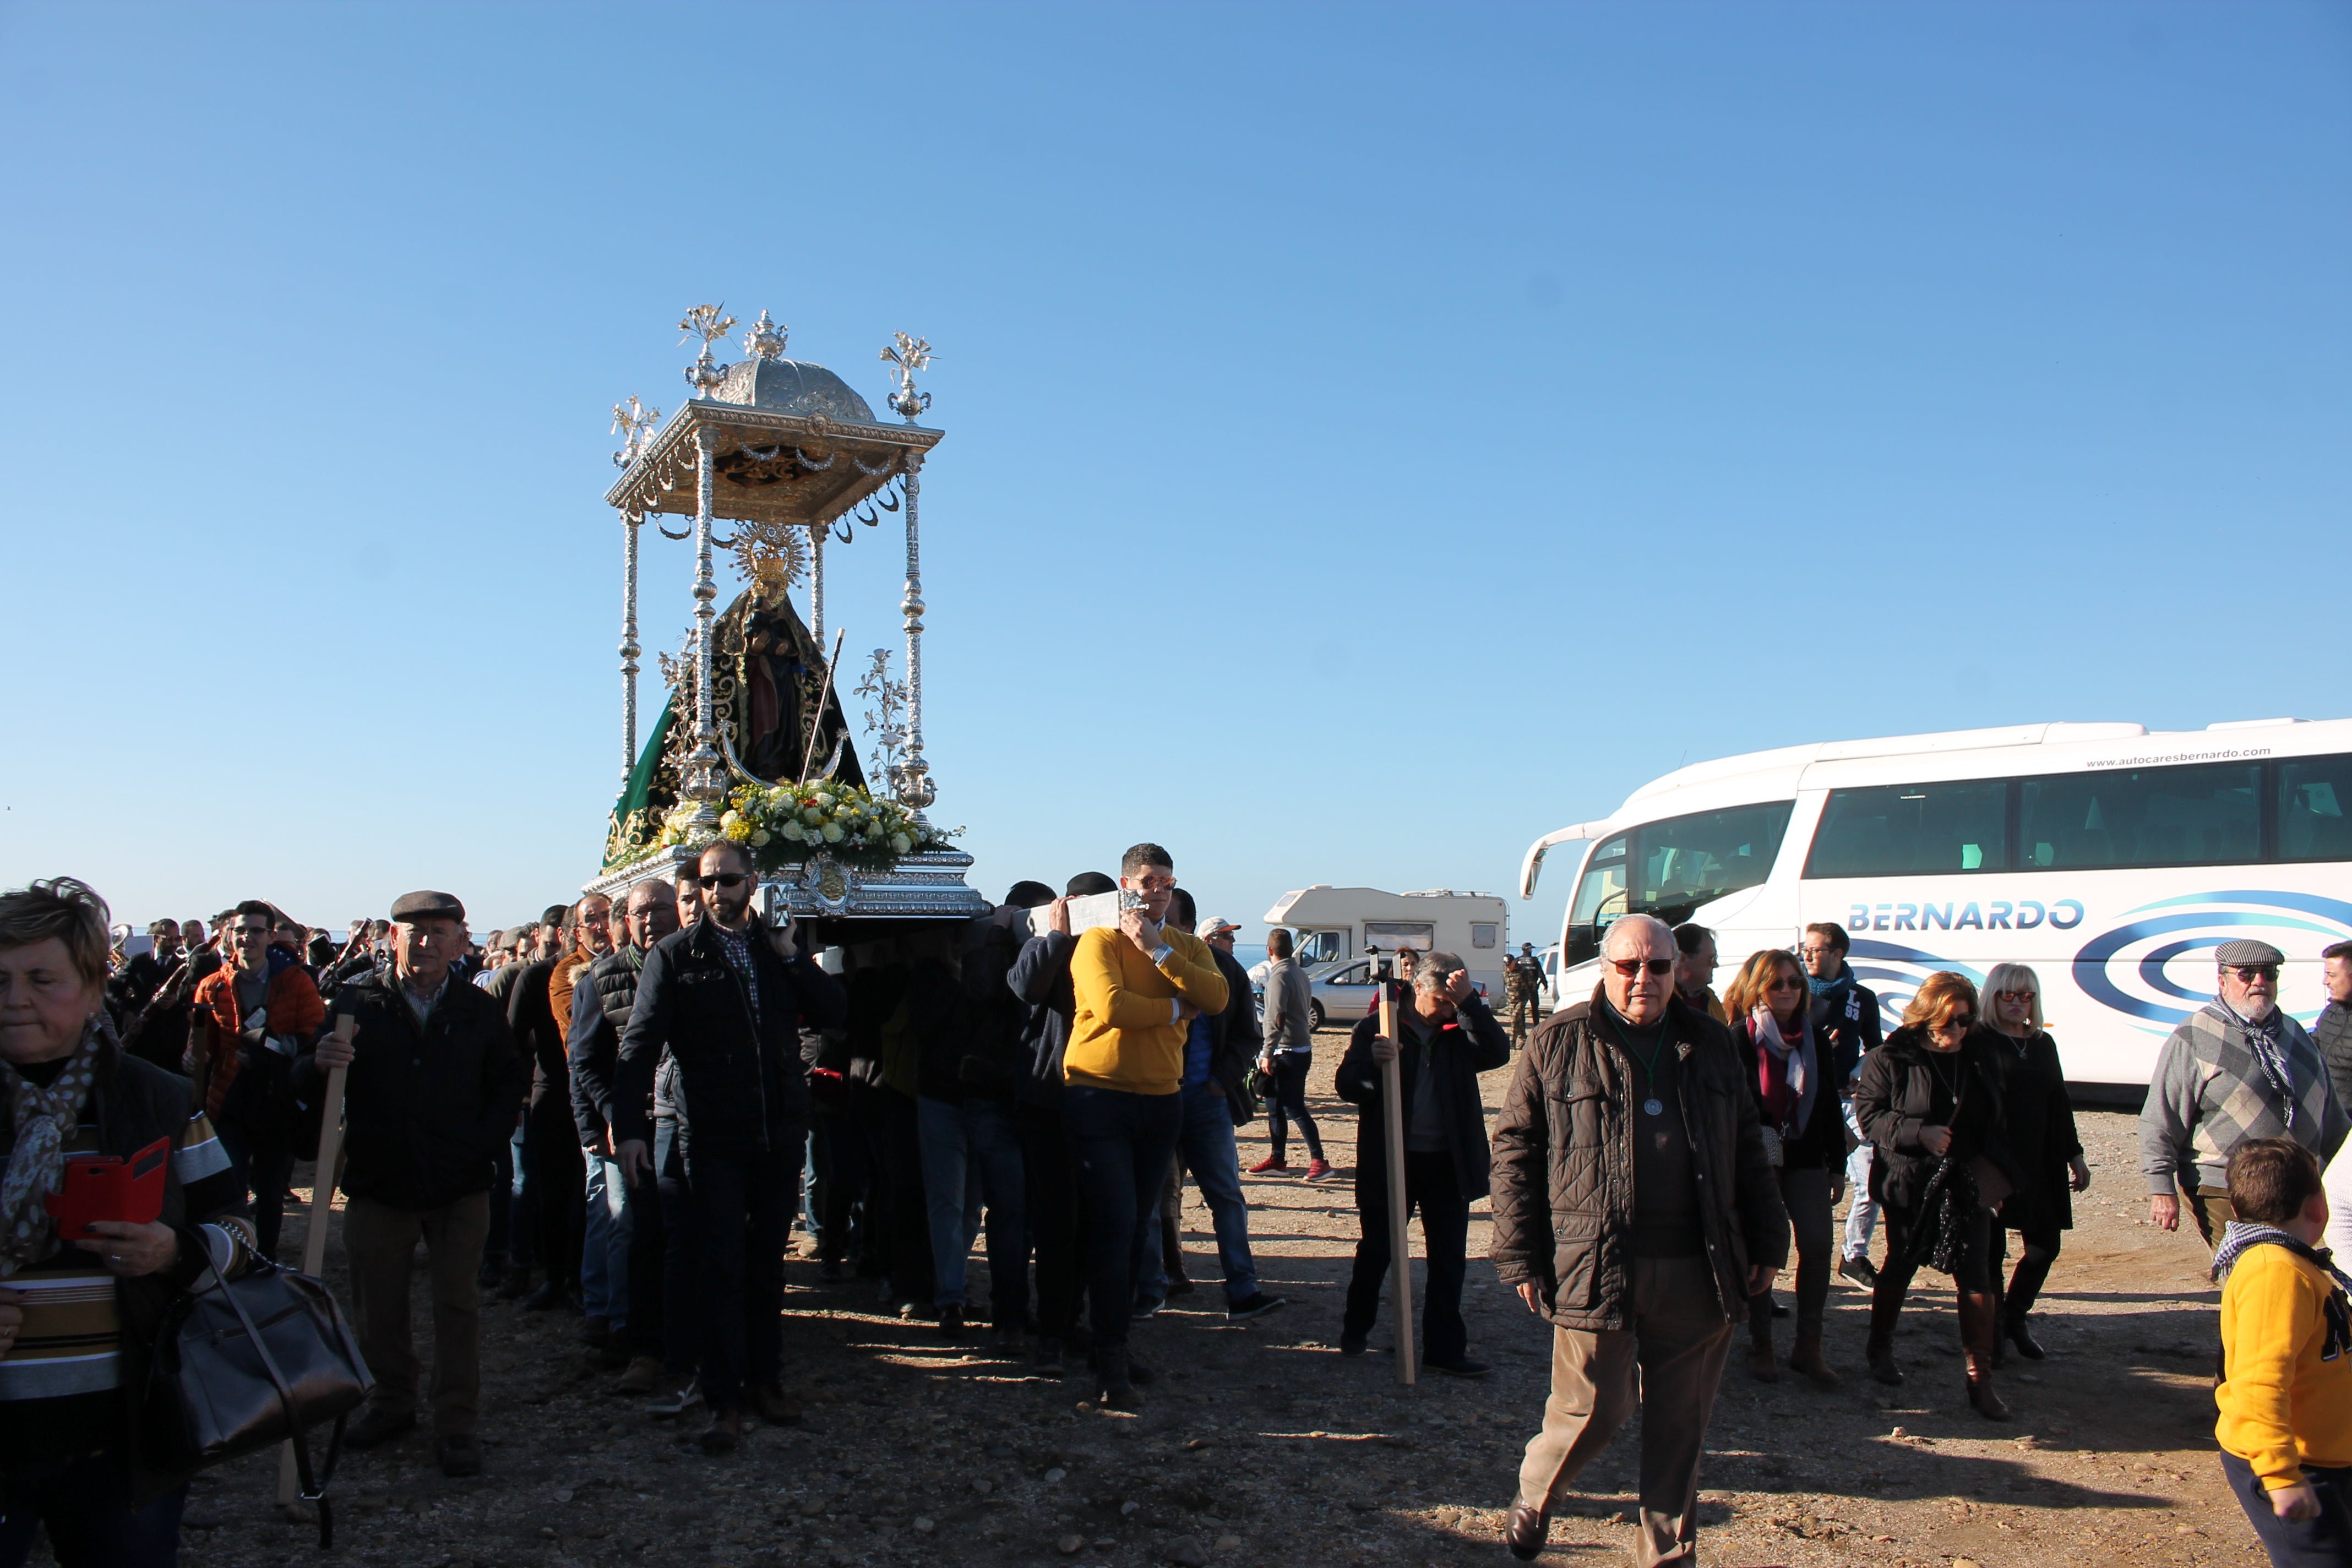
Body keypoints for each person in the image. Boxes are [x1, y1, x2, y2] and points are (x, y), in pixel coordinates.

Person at [1491, 914, 1785, 1567]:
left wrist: (1768, 1237)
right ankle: (1538, 1492)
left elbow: (1745, 1143)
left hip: (1698, 1265)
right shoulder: (1556, 1041)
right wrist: (1518, 1252)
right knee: (1595, 1406)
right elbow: (1515, 1149)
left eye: (1658, 965)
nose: (1644, 978)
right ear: (1607, 969)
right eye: (1630, 966)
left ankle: (1667, 1552)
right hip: (1597, 1259)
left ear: (1678, 969)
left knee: (1681, 1423)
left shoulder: (1712, 1043)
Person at [0, 879, 260, 1567]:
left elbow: (237, 1230)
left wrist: (174, 1251)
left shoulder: (158, 1100)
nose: (14, 997)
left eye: (41, 978)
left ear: (91, 989)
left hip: (121, 1438)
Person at [613, 839, 848, 1453]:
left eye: (729, 880)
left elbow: (833, 1011)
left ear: (753, 882)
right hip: (711, 1133)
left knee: (767, 1261)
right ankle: (723, 1397)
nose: (718, 892)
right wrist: (630, 1129)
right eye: (708, 882)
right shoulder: (676, 955)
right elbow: (638, 1047)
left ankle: (766, 1379)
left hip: (776, 1130)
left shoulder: (776, 951)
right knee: (721, 1262)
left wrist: (793, 957)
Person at [299, 890, 525, 1478]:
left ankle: (456, 1421)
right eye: (413, 931)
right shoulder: (356, 1003)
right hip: (381, 1178)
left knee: (457, 1304)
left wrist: (481, 1143)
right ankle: (391, 1401)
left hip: (459, 1182)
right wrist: (317, 1060)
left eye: (438, 931)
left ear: (459, 940)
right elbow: (307, 1078)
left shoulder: (478, 1010)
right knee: (378, 1306)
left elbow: (507, 1085)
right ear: (392, 937)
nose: (425, 942)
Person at [1063, 842, 1227, 1409]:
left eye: (1166, 882)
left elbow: (1218, 995)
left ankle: (1113, 1339)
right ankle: (1105, 1353)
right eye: (1148, 880)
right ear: (1126, 883)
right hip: (1098, 1096)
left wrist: (1159, 953)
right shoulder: (1097, 941)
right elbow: (1112, 1008)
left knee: (1136, 1228)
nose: (1157, 890)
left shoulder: (1180, 944)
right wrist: (1178, 1011)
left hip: (1161, 1101)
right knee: (1113, 1221)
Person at [1336, 947, 1511, 1375]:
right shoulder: (1378, 1029)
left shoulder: (1460, 1029)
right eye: (1440, 1002)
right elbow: (1347, 1085)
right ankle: (1356, 1328)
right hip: (1393, 1159)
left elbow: (1497, 1052)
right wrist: (1371, 1069)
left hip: (1447, 1162)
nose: (1443, 1012)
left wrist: (1469, 1004)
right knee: (1379, 1249)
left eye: (1452, 1004)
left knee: (1448, 1258)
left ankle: (1444, 1349)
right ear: (1417, 988)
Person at [1853, 971, 2017, 1419]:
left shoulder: (1982, 1054)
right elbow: (1869, 1117)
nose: (1957, 1031)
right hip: (1912, 1179)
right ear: (1927, 1017)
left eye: (1965, 1021)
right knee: (1901, 1263)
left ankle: (1979, 1378)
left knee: (1977, 1272)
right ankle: (1880, 1346)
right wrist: (1917, 1133)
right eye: (1948, 1023)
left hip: (1967, 1178)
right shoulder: (1892, 1057)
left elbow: (1999, 1119)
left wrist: (1998, 1179)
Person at [2143, 939, 2349, 1248]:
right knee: (2251, 1275)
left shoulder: (2296, 1036)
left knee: (2291, 1275)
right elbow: (2161, 1119)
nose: (2260, 982)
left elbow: (2332, 1117)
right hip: (2226, 1187)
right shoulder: (2195, 1036)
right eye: (2247, 974)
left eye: (2269, 973)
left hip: (2296, 1185)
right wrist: (2162, 1188)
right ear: (2222, 980)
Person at [2210, 1137, 2352, 1568]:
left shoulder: (2300, 1264)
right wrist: (2280, 1476)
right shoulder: (2275, 1273)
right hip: (2293, 1464)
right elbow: (2257, 1385)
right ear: (2318, 1206)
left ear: (2236, 1210)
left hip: (2325, 1457)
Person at [568, 882, 681, 1390]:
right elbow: (586, 1061)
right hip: (635, 1128)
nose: (651, 918)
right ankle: (636, 1341)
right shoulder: (601, 977)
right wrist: (609, 1118)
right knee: (635, 1234)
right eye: (640, 912)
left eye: (661, 908)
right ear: (625, 921)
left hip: (692, 1124)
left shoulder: (698, 963)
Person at [1006, 871, 1118, 1374]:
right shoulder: (1045, 942)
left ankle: (1075, 1321)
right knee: (1055, 1223)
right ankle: (1050, 1331)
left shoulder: (1117, 947)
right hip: (1047, 1099)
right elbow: (1025, 987)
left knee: (1098, 1223)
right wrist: (1055, 937)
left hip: (1101, 1098)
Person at [1722, 948, 1844, 1386]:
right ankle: (1761, 1344)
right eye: (1779, 984)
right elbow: (1733, 1108)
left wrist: (1838, 1165)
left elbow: (1828, 1103)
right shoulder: (1737, 1039)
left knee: (1816, 1245)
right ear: (1758, 988)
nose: (1789, 990)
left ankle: (1808, 1347)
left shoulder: (1814, 1038)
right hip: (1758, 1159)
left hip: (1807, 1155)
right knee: (1763, 1249)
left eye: (1796, 982)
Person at [910, 917, 1029, 1343]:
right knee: (958, 1202)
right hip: (957, 1096)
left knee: (961, 1202)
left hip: (953, 1095)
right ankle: (950, 1295)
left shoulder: (944, 980)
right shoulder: (947, 980)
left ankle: (951, 1295)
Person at [1163, 911, 1284, 1324]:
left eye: (1169, 918)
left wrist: (1220, 1081)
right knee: (1155, 1200)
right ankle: (1154, 1286)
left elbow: (1248, 1034)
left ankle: (1242, 1289)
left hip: (1204, 1101)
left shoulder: (1224, 968)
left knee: (1226, 1197)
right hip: (1154, 1099)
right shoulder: (1139, 959)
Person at [189, 900, 325, 1261]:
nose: (247, 938)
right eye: (240, 931)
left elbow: (315, 1033)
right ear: (229, 936)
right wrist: (194, 1055)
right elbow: (204, 1046)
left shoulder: (296, 982)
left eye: (256, 931)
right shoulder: (212, 985)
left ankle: (265, 1257)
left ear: (269, 936)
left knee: (269, 1190)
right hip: (230, 1098)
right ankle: (234, 1256)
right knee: (230, 1185)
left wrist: (277, 1046)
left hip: (277, 1098)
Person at [1979, 962, 2089, 1363]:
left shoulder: (2043, 1043)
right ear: (1992, 997)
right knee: (1989, 1253)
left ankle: (2014, 1317)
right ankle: (1989, 1335)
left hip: (2042, 1158)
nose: (2017, 1002)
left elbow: (2059, 1101)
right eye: (2008, 994)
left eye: (2026, 995)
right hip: (1994, 1160)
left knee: (2044, 1247)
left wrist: (2074, 1154)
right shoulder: (1979, 1041)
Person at [1801, 922, 1885, 1289]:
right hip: (1807, 1104)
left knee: (1870, 1184)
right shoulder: (1796, 993)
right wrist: (1814, 1047)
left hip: (1848, 1103)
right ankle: (1801, 1261)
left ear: (1838, 954)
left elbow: (1877, 1047)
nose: (1807, 955)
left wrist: (1861, 1069)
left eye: (1816, 949)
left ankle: (1854, 1256)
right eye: (1805, 948)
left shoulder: (1861, 998)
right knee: (1810, 1186)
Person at [1249, 927, 1327, 1181]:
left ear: (1269, 950)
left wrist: (1267, 1052)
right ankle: (1277, 1158)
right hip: (1299, 1047)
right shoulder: (1300, 973)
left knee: (1294, 1106)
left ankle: (1319, 1160)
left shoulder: (1279, 977)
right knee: (1274, 1105)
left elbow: (1276, 1017)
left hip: (1288, 1050)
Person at [2312, 942, 2352, 1261]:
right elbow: (2314, 1046)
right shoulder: (2333, 1012)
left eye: (2331, 974)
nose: (2326, 981)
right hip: (2327, 1129)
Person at [1670, 924, 1727, 1024]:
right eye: (1711, 959)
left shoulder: (1712, 1001)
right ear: (1682, 958)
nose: (1716, 965)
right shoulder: (1660, 1000)